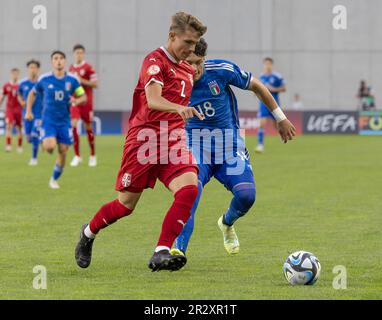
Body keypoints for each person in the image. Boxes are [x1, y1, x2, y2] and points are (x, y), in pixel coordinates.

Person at [74, 12, 207, 272]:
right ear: (172, 36)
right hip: (143, 140)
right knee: (125, 205)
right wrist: (179, 108)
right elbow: (154, 100)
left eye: (195, 45)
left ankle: (161, 251)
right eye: (188, 42)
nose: (191, 49)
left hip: (172, 140)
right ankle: (88, 233)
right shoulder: (154, 61)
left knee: (190, 188)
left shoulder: (187, 69)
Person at [172, 39, 296, 256]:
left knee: (247, 196)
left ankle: (226, 223)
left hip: (229, 145)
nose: (192, 69)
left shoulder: (221, 70)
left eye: (196, 62)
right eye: (187, 62)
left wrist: (280, 117)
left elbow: (257, 86)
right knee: (189, 193)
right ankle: (178, 251)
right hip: (195, 144)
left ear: (203, 59)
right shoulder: (174, 80)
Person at [26, 51, 87, 189]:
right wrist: (29, 111)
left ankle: (53, 179)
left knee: (63, 150)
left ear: (64, 61)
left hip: (64, 121)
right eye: (55, 58)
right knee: (49, 147)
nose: (58, 61)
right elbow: (32, 94)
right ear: (52, 62)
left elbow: (83, 97)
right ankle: (45, 140)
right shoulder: (44, 79)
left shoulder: (72, 80)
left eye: (61, 58)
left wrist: (76, 101)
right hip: (48, 121)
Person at [69, 44, 99, 167]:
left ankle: (92, 155)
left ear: (84, 54)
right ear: (74, 54)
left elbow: (95, 84)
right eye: (77, 53)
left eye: (81, 52)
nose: (79, 55)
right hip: (75, 102)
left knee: (88, 128)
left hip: (87, 102)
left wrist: (81, 80)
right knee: (73, 125)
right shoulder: (71, 69)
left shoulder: (89, 68)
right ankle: (77, 156)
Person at [255, 57, 286, 153]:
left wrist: (273, 89)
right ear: (264, 65)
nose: (267, 66)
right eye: (265, 64)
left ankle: (283, 135)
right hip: (263, 104)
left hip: (274, 104)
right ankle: (260, 145)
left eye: (269, 64)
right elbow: (257, 89)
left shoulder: (277, 76)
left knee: (276, 125)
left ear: (271, 65)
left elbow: (284, 88)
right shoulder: (261, 77)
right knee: (261, 124)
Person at [18, 60, 43, 165]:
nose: (33, 69)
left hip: (39, 114)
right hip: (26, 114)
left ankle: (34, 158)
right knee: (28, 138)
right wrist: (21, 102)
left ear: (38, 69)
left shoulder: (42, 82)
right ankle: (42, 139)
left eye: (34, 67)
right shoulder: (23, 83)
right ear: (28, 69)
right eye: (31, 67)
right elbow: (18, 94)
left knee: (34, 135)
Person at [0, 68, 23, 153]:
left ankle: (19, 146)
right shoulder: (6, 85)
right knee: (9, 126)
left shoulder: (21, 85)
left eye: (16, 74)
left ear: (18, 75)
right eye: (13, 74)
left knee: (19, 128)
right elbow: (2, 96)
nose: (15, 75)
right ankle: (8, 145)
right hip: (10, 109)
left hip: (19, 109)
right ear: (11, 74)